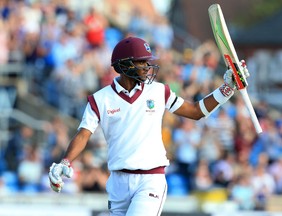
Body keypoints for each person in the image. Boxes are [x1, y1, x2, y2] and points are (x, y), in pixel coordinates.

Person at [48, 36, 249, 215]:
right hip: (117, 182)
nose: (147, 67)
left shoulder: (159, 91)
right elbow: (83, 134)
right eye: (141, 62)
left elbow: (196, 111)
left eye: (147, 62)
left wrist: (227, 88)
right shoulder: (100, 99)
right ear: (123, 65)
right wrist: (65, 162)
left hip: (150, 179)